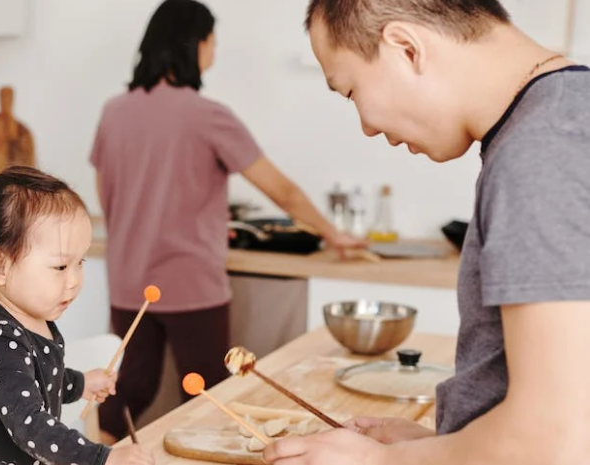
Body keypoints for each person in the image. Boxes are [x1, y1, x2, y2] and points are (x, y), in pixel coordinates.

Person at [263, 0, 590, 464]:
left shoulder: (542, 151)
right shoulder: (567, 116)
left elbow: (552, 443)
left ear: (406, 48)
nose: (367, 127)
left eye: (351, 91)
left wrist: (376, 462)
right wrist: (440, 446)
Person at [89, 0, 363, 443]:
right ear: (195, 44)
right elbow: (282, 191)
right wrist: (332, 234)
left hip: (129, 281)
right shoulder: (207, 115)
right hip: (191, 284)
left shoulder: (114, 111)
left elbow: (107, 193)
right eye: (212, 41)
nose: (214, 51)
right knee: (208, 402)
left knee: (123, 396)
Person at [0, 151, 154, 465]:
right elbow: (30, 425)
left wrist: (79, 384)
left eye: (79, 263)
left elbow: (34, 378)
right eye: (60, 267)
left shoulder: (30, 318)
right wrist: (101, 457)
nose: (75, 280)